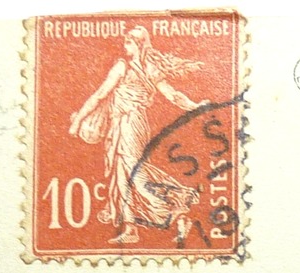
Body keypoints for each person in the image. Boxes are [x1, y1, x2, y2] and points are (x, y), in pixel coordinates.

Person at [68, 26, 204, 245]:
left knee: (135, 175)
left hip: (129, 123)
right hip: (130, 123)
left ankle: (177, 206)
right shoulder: (150, 68)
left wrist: (77, 121)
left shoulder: (123, 67)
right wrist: (194, 106)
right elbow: (173, 95)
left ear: (138, 44)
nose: (125, 45)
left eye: (129, 42)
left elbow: (100, 95)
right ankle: (131, 228)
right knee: (123, 175)